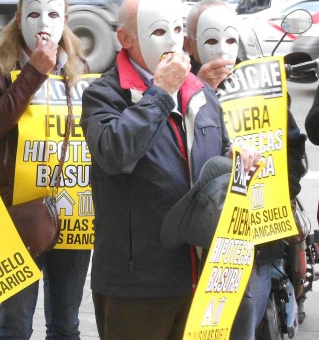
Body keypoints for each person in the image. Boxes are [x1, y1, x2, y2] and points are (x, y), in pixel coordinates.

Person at [80, 0, 259, 338]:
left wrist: (238, 160)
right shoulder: (104, 94)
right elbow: (115, 153)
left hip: (201, 277)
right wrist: (161, 92)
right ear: (125, 38)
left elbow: (217, 156)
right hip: (137, 285)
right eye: (159, 31)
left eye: (178, 30)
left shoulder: (202, 92)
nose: (173, 43)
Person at [184, 1, 307, 337]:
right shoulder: (176, 85)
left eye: (230, 38)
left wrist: (280, 195)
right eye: (210, 39)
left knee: (256, 322)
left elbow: (291, 145)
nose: (222, 50)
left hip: (261, 240)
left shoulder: (261, 80)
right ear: (190, 43)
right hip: (203, 242)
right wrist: (196, 91)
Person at [0, 0, 91, 338]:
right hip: (17, 209)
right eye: (34, 13)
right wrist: (33, 72)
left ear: (66, 20)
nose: (44, 22)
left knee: (67, 323)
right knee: (15, 323)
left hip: (71, 209)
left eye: (54, 14)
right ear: (18, 18)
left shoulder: (79, 66)